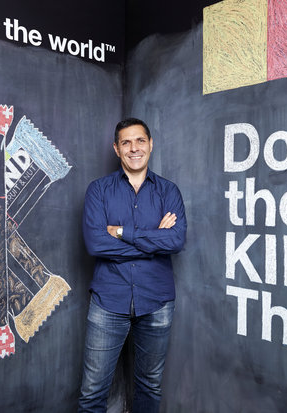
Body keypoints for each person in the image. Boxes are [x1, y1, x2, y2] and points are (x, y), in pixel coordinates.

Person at [78, 118, 187, 412]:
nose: (134, 148)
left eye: (140, 141)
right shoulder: (98, 190)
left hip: (157, 302)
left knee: (150, 386)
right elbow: (96, 244)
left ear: (150, 144)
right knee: (92, 393)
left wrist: (122, 232)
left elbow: (176, 240)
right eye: (126, 142)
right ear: (116, 149)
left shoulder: (169, 192)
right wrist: (154, 240)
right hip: (108, 301)